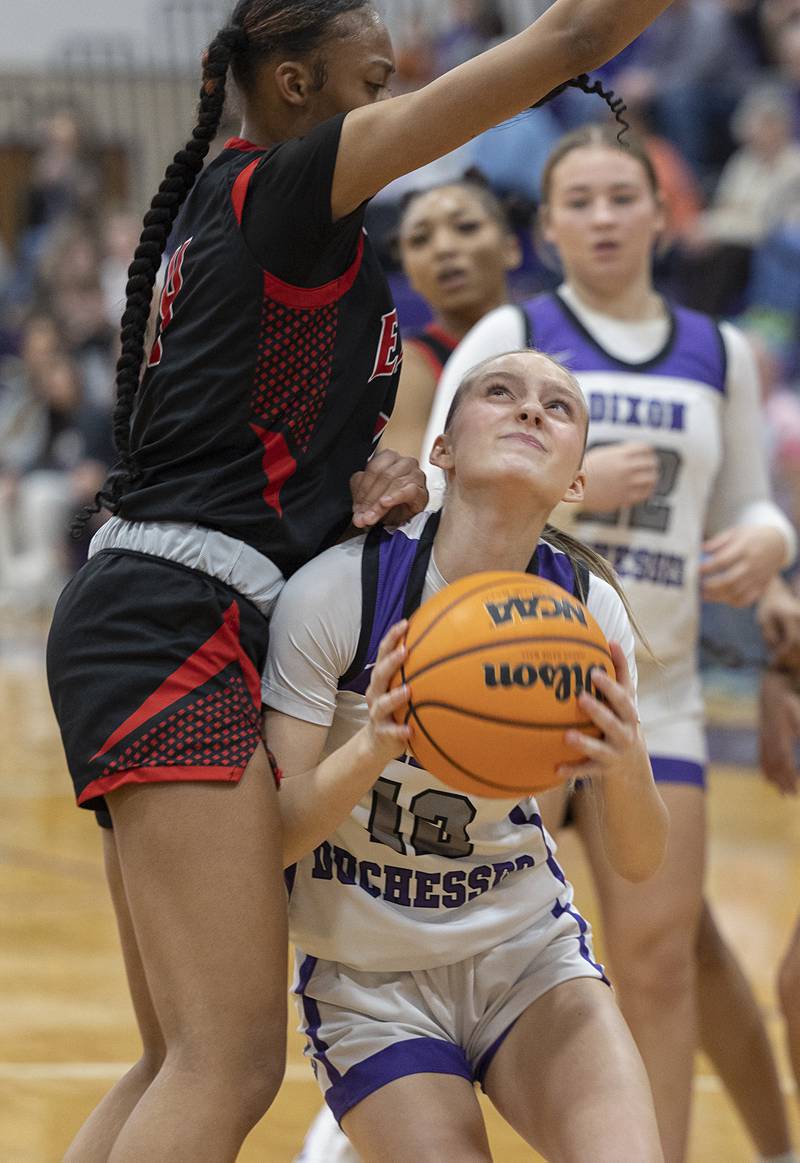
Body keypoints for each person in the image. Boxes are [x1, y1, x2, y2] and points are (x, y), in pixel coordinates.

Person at [43, 2, 677, 1159]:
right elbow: (571, 40)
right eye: (374, 79)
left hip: (173, 604)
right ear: (294, 86)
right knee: (225, 1063)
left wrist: (357, 467)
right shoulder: (283, 184)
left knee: (176, 1052)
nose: (392, 102)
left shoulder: (261, 219)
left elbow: (247, 431)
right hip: (172, 617)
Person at [415, 124, 798, 1163]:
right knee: (472, 952)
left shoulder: (720, 349)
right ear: (545, 226)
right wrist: (571, 478)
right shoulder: (511, 326)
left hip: (650, 686)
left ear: (657, 212)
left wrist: (762, 546)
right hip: (495, 674)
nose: (599, 216)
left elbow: (755, 505)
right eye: (576, 201)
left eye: (618, 197)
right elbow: (434, 480)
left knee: (659, 959)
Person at [268, 349, 668, 1163]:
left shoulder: (589, 618)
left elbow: (637, 858)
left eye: (559, 408)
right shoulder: (342, 590)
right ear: (441, 450)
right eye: (500, 392)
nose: (530, 411)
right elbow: (269, 838)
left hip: (525, 953)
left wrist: (624, 761)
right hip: (369, 977)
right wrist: (377, 741)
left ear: (577, 484)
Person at [383, 177, 520, 457]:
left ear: (511, 248)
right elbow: (412, 494)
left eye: (466, 227)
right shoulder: (407, 367)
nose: (443, 248)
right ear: (407, 273)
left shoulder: (559, 332)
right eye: (420, 239)